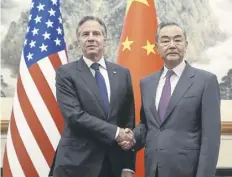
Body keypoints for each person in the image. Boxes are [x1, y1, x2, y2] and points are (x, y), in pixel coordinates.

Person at [122, 22, 221, 177]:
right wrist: (130, 136)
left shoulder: (206, 81)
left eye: (178, 39)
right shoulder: (147, 83)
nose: (172, 45)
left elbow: (211, 138)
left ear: (186, 45)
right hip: (153, 169)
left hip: (188, 171)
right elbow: (148, 124)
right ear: (157, 47)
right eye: (166, 40)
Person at [52, 16, 136, 177]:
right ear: (78, 41)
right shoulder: (66, 73)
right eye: (85, 34)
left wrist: (127, 165)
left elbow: (128, 121)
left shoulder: (122, 74)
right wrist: (116, 132)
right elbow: (74, 116)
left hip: (112, 165)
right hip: (76, 165)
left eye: (96, 33)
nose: (91, 38)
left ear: (105, 40)